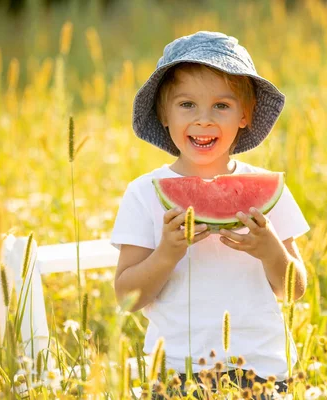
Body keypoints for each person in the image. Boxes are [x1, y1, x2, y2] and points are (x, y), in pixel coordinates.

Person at [110, 31, 310, 399]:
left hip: (263, 369)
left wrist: (271, 252)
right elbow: (127, 297)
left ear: (245, 115)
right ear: (164, 115)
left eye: (221, 105)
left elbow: (294, 290)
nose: (204, 120)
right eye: (187, 104)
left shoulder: (268, 191)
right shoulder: (143, 193)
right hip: (177, 373)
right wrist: (166, 254)